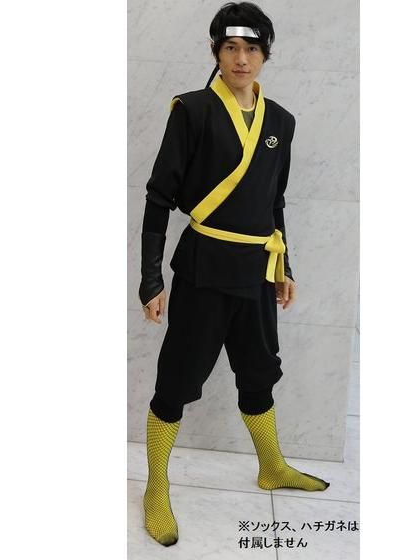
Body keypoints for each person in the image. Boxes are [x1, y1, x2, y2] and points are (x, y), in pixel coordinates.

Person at [138, 1, 330, 547]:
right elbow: (158, 196)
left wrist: (285, 265)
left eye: (251, 48)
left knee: (259, 372)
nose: (240, 59)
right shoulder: (192, 111)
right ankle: (156, 486)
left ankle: (272, 465)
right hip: (203, 269)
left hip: (257, 272)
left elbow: (275, 201)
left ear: (265, 54)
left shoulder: (282, 122)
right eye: (230, 47)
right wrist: (151, 279)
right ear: (215, 52)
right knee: (176, 381)